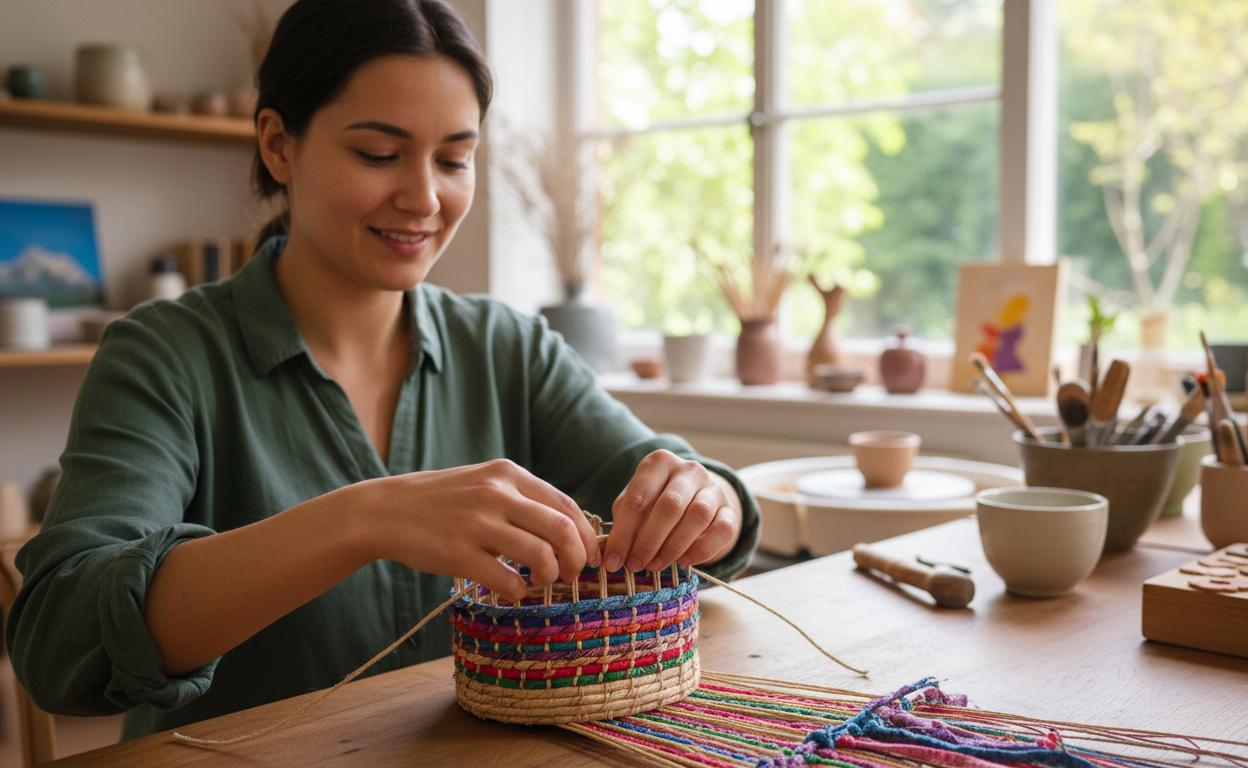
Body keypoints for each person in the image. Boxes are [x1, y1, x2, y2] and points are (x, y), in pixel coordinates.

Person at [6, 0, 759, 740]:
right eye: (378, 153)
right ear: (278, 145)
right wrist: (361, 519)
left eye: (454, 158)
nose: (425, 198)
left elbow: (682, 493)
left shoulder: (508, 347)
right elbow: (60, 642)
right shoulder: (165, 353)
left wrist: (707, 499)